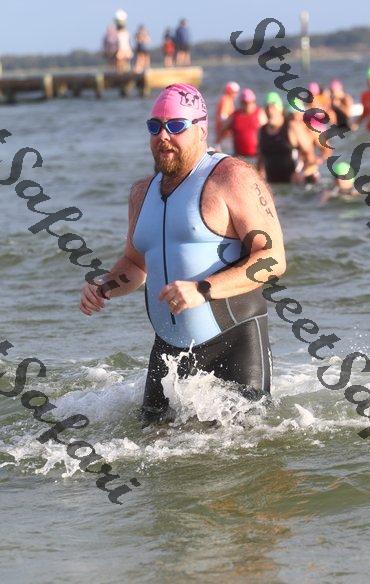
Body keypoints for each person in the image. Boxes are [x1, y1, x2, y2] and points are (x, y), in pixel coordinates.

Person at [79, 83, 286, 427]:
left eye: (176, 125)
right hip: (169, 351)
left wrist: (203, 289)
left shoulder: (232, 178)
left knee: (241, 451)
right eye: (155, 126)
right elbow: (135, 264)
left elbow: (273, 258)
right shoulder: (141, 193)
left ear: (202, 130)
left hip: (233, 343)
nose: (163, 136)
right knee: (148, 446)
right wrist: (104, 286)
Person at [258, 92, 317, 184]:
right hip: (273, 184)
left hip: (293, 184)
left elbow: (311, 157)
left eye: (273, 107)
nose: (270, 111)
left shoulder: (292, 127)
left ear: (280, 109)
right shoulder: (262, 131)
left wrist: (302, 173)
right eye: (267, 107)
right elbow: (260, 159)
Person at [218, 88, 266, 161]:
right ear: (241, 103)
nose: (248, 105)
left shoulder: (259, 113)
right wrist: (217, 144)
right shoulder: (235, 116)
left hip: (256, 156)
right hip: (239, 156)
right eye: (245, 102)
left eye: (250, 102)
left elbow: (268, 132)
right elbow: (223, 130)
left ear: (254, 102)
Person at [214, 81, 240, 149]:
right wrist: (228, 124)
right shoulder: (226, 99)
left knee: (219, 142)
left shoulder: (227, 99)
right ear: (230, 91)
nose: (236, 94)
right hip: (223, 127)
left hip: (223, 128)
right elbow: (223, 115)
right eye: (235, 92)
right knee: (220, 144)